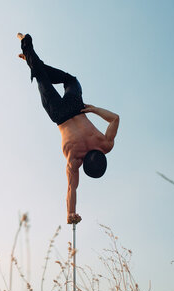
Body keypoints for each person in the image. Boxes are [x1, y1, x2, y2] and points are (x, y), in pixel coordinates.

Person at [18, 33, 120, 224]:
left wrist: (94, 109)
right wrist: (70, 214)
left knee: (71, 80)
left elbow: (115, 119)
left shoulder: (104, 144)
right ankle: (32, 59)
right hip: (59, 114)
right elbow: (71, 189)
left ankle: (32, 60)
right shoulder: (74, 159)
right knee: (41, 76)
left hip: (76, 107)